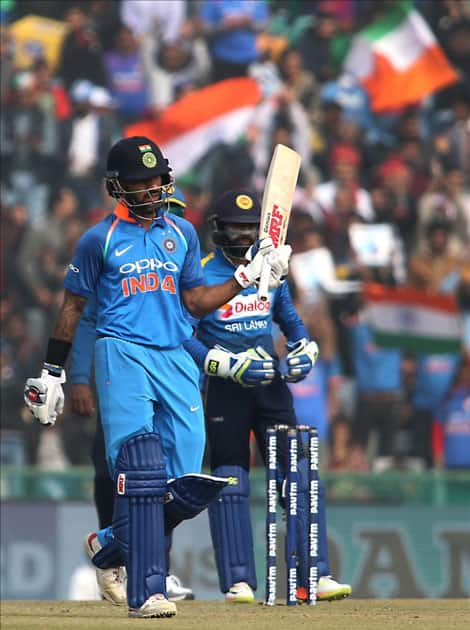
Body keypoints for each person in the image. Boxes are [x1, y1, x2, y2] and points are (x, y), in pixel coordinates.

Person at [24, 136, 290, 619]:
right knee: (140, 467)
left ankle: (108, 546)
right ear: (117, 187)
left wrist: (245, 278)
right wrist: (53, 373)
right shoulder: (97, 239)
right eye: (139, 181)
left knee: (188, 482)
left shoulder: (183, 233)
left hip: (175, 356)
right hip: (121, 352)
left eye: (155, 178)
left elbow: (194, 303)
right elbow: (72, 308)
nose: (150, 188)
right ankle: (146, 591)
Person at [183, 189, 352, 603]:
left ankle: (314, 574)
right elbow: (181, 332)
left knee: (297, 476)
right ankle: (238, 581)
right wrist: (220, 363)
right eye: (234, 230)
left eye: (248, 230)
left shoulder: (271, 270)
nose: (243, 238)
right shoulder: (202, 274)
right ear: (217, 231)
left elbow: (290, 321)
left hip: (270, 386)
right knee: (231, 482)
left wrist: (304, 350)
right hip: (226, 391)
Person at [69, 187, 194, 601]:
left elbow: (183, 322)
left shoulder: (176, 249)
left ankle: (140, 558)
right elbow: (86, 321)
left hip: (166, 370)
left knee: (172, 477)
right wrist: (78, 379)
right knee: (126, 471)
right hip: (121, 370)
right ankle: (127, 564)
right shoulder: (109, 248)